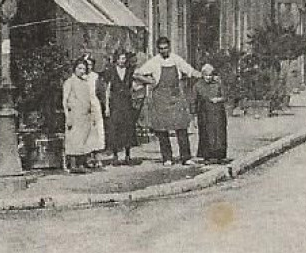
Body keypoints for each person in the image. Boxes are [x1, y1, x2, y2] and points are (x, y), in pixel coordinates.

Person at [135, 37, 200, 166]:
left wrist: (202, 74)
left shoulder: (176, 59)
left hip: (175, 96)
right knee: (162, 129)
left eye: (165, 48)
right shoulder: (154, 62)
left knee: (181, 127)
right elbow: (137, 74)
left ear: (169, 47)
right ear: (157, 49)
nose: (163, 50)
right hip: (160, 98)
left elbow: (189, 70)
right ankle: (167, 157)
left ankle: (186, 157)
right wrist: (150, 81)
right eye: (161, 49)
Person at [62, 57, 105, 174]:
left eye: (84, 69)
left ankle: (82, 163)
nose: (82, 71)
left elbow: (89, 100)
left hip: (85, 116)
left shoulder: (85, 83)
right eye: (79, 68)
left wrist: (92, 115)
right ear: (74, 69)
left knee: (84, 139)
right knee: (74, 139)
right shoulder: (69, 82)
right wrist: (68, 117)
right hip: (74, 115)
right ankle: (73, 165)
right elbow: (65, 101)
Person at [97, 49, 140, 165]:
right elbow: (107, 89)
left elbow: (133, 87)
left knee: (127, 128)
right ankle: (115, 155)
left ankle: (127, 155)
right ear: (116, 59)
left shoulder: (129, 71)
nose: (123, 60)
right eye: (121, 58)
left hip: (126, 102)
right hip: (115, 103)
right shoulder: (111, 71)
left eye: (124, 58)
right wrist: (106, 106)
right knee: (115, 128)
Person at [192, 63, 229, 163]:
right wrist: (194, 117)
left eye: (210, 75)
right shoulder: (198, 86)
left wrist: (219, 99)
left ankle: (219, 156)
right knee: (205, 133)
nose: (208, 77)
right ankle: (206, 156)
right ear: (202, 75)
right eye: (206, 75)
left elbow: (225, 96)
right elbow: (194, 101)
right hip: (204, 113)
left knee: (218, 133)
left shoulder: (217, 84)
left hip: (218, 113)